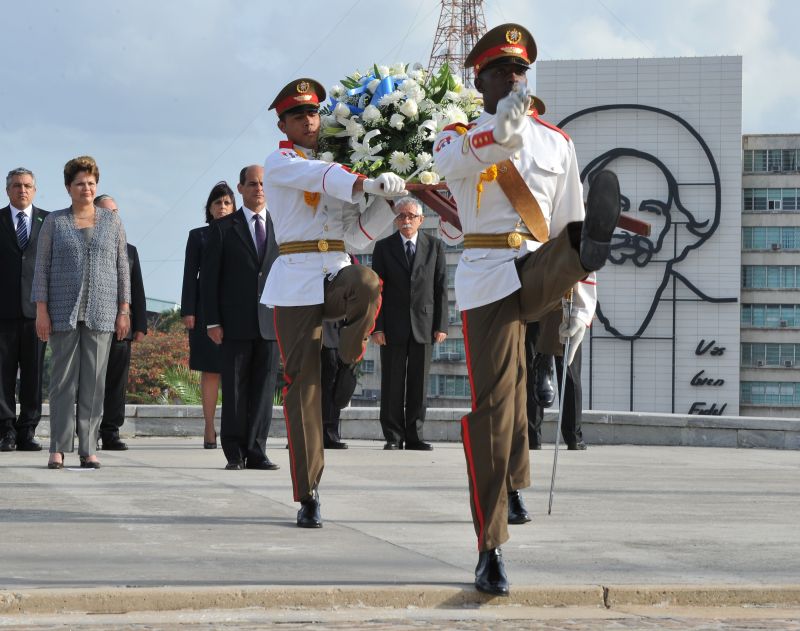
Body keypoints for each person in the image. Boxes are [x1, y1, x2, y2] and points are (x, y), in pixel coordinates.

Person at [433, 24, 620, 595]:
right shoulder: (455, 136)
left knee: (578, 237)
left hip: (542, 267)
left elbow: (565, 220)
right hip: (488, 277)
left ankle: (561, 319)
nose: (513, 79)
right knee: (494, 409)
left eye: (519, 71)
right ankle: (489, 547)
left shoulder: (557, 143)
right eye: (501, 72)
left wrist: (582, 305)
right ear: (480, 81)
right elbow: (456, 163)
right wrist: (500, 136)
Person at [261, 78, 406, 528]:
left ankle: (348, 357)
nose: (309, 121)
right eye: (299, 115)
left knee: (367, 280)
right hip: (295, 279)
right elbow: (320, 177)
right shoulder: (281, 161)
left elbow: (361, 233)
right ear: (283, 123)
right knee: (302, 386)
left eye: (314, 113)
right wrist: (364, 180)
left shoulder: (339, 164)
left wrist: (392, 196)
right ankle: (309, 492)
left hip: (335, 270)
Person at [32, 156, 131, 469]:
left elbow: (121, 268)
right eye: (80, 183)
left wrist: (124, 309)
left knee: (95, 382)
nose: (86, 188)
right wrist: (41, 311)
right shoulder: (54, 222)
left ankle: (89, 447)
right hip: (62, 312)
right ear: (68, 187)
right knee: (62, 383)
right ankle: (58, 448)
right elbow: (42, 268)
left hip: (102, 312)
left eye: (91, 183)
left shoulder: (112, 222)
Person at [203, 167, 280, 471]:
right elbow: (209, 280)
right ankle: (234, 452)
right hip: (233, 323)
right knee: (235, 390)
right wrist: (213, 321)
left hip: (271, 322)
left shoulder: (282, 225)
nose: (258, 189)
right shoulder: (223, 228)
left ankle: (257, 450)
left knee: (263, 391)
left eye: (263, 184)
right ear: (241, 188)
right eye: (252, 184)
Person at [371, 197, 448, 451]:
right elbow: (376, 292)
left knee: (419, 383)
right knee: (392, 383)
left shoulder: (435, 246)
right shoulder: (383, 247)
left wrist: (442, 325)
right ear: (395, 220)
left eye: (411, 216)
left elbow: (441, 289)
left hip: (424, 325)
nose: (406, 221)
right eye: (401, 216)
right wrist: (377, 327)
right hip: (391, 326)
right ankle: (393, 436)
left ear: (421, 220)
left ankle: (415, 435)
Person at [180, 182, 235, 449]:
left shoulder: (242, 233)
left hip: (236, 310)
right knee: (211, 371)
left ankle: (234, 428)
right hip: (204, 312)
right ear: (209, 208)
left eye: (226, 203)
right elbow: (190, 275)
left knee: (235, 371)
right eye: (217, 203)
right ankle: (209, 427)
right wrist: (188, 311)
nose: (222, 208)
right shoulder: (198, 235)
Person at [0, 168, 49, 453]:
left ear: (35, 189)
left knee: (33, 375)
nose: (22, 190)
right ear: (8, 190)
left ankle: (27, 430)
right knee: (3, 375)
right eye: (17, 186)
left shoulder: (48, 221)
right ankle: (5, 430)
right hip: (3, 314)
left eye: (28, 186)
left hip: (36, 313)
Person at [95, 194, 147, 451]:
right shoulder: (87, 245)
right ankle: (88, 430)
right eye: (106, 212)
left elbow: (136, 288)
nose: (112, 217)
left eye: (116, 212)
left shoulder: (130, 250)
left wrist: (139, 326)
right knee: (91, 381)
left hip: (121, 328)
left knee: (116, 382)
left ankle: (111, 431)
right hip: (92, 326)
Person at [320, 320, 347, 449]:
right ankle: (301, 434)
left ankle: (330, 433)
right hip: (305, 329)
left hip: (333, 331)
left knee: (333, 384)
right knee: (303, 386)